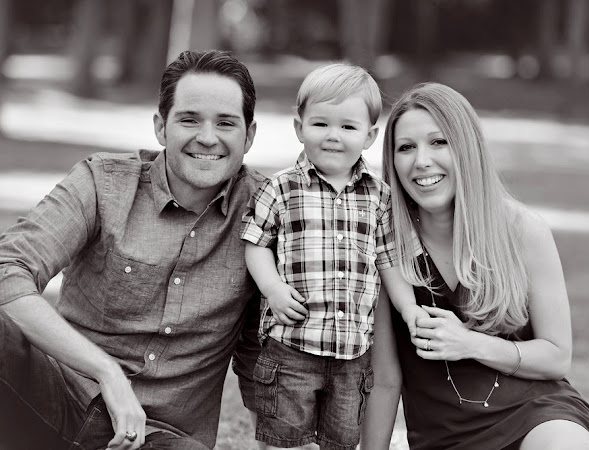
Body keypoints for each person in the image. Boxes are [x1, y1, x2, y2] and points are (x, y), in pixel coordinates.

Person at [0, 49, 266, 450]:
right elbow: (8, 268)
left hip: (160, 436)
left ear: (249, 135)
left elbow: (268, 348)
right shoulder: (103, 184)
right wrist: (106, 372)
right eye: (189, 119)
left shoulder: (267, 215)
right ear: (161, 127)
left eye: (225, 123)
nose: (208, 137)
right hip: (56, 396)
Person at [361, 82, 589, 449]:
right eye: (406, 147)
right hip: (444, 437)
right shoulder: (385, 247)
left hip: (537, 415)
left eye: (439, 142)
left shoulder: (522, 230)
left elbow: (556, 357)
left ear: (467, 147)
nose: (421, 160)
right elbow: (385, 379)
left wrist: (470, 343)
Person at [241, 63, 426, 450]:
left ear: (369, 136)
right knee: (283, 438)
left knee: (340, 440)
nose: (333, 136)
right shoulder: (281, 188)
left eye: (347, 127)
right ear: (299, 128)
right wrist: (273, 289)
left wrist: (409, 308)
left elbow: (388, 261)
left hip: (352, 353)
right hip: (292, 343)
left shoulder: (379, 197)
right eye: (320, 123)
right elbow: (256, 243)